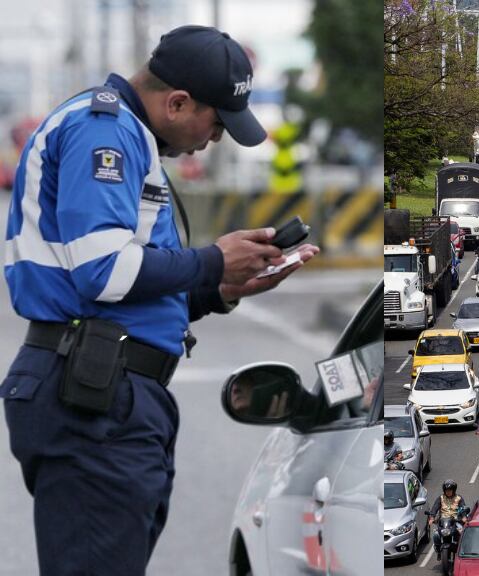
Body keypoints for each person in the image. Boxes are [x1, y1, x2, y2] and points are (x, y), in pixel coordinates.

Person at [0, 25, 320, 576]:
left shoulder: (129, 136)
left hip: (106, 388)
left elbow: (122, 289)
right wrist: (212, 260)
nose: (214, 140)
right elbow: (104, 271)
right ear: (177, 102)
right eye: (217, 124)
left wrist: (217, 290)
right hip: (92, 394)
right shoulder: (104, 132)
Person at [428, 480, 467, 554]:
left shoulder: (459, 498)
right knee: (436, 535)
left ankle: (461, 551)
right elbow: (435, 508)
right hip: (443, 521)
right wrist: (432, 517)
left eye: (450, 490)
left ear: (453, 490)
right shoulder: (441, 498)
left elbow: (463, 508)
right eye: (446, 490)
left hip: (456, 521)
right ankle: (438, 549)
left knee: (462, 533)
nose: (448, 492)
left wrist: (464, 516)